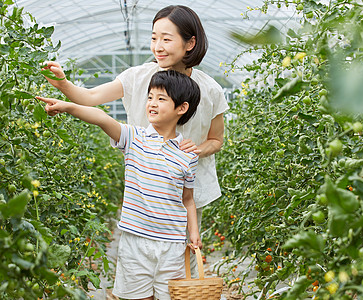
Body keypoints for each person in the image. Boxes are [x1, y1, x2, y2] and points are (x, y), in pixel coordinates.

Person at [41, 5, 229, 276]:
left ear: (190, 43)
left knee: (177, 271)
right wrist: (63, 85)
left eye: (167, 38)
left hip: (185, 192)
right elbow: (90, 98)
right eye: (154, 38)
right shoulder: (138, 77)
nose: (158, 46)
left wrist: (194, 151)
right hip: (146, 193)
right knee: (140, 265)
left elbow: (216, 140)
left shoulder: (210, 89)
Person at [37, 70, 202, 300]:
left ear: (181, 108)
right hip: (135, 240)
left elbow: (188, 199)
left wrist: (193, 232)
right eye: (150, 97)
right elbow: (102, 118)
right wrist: (68, 106)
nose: (152, 103)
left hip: (172, 245)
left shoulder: (188, 155)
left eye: (161, 99)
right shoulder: (134, 138)